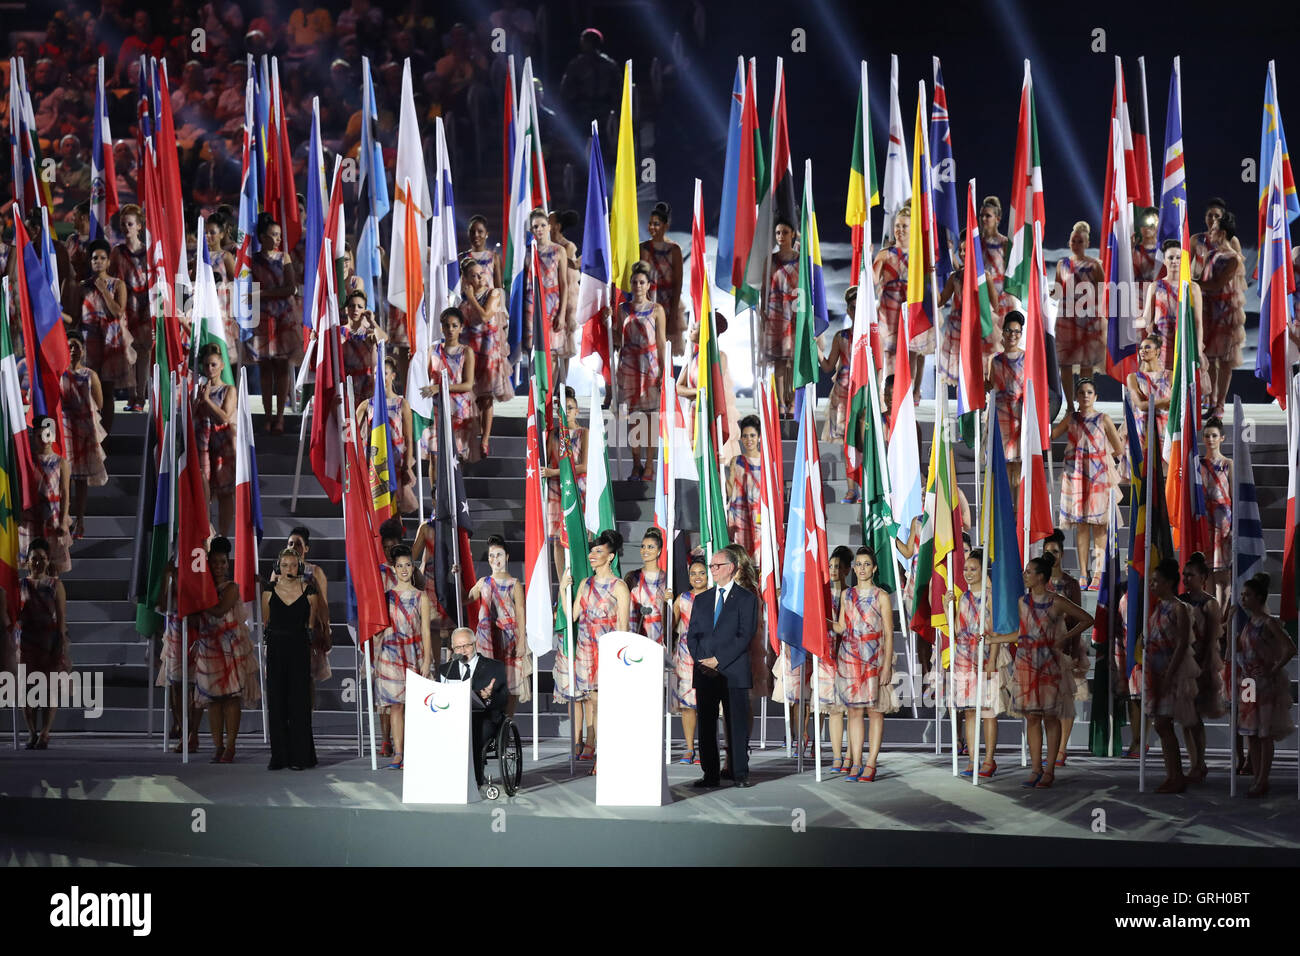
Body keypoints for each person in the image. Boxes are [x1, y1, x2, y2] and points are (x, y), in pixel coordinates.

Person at [991, 553, 1093, 789]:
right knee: (1032, 717)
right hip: (1027, 664)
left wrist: (1064, 637)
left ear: (1040, 577)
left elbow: (1087, 619)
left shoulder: (1056, 601)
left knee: (1050, 716)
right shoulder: (1022, 602)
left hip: (1049, 665)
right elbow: (1022, 633)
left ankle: (1049, 770)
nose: (1025, 575)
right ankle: (1035, 768)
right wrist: (994, 640)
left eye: (1029, 572)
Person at [686, 548, 759, 788]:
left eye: (717, 566)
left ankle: (739, 773)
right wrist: (701, 659)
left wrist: (719, 659)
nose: (712, 570)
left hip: (733, 670)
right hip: (705, 671)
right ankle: (710, 774)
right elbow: (692, 635)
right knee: (706, 725)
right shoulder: (702, 599)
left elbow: (744, 634)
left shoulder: (746, 598)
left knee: (735, 723)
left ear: (731, 567)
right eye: (712, 566)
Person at [557, 530, 629, 767]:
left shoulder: (619, 586)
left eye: (599, 551)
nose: (592, 555)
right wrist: (562, 588)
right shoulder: (585, 584)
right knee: (593, 703)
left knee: (602, 705)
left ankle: (604, 755)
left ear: (610, 557)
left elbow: (623, 626)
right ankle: (598, 752)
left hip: (607, 652)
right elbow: (572, 615)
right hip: (585, 650)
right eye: (592, 550)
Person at [831, 546, 897, 781]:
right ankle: (856, 761)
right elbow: (841, 627)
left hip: (874, 660)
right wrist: (822, 621)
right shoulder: (846, 595)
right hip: (849, 660)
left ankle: (871, 763)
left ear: (874, 568)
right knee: (854, 712)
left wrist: (887, 665)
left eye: (866, 564)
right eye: (858, 564)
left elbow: (889, 633)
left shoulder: (881, 596)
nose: (861, 568)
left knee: (875, 712)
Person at [192, 537, 260, 763]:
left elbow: (220, 610)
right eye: (215, 562)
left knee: (231, 699)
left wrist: (199, 601)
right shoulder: (202, 588)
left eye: (223, 562)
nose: (219, 566)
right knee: (212, 700)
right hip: (207, 648)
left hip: (229, 650)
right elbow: (192, 618)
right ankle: (218, 745)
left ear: (228, 564)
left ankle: (231, 746)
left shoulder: (231, 588)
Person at [1051, 379, 1123, 590]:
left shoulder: (1104, 419)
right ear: (1076, 397)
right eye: (1081, 392)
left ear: (1096, 396)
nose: (1085, 396)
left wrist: (1101, 464)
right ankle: (1083, 573)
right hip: (1076, 477)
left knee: (1100, 528)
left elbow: (1118, 448)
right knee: (1081, 528)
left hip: (1098, 478)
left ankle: (1099, 573)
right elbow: (1051, 436)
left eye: (1089, 392)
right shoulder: (1071, 418)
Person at [1235, 573, 1297, 797]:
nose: (1243, 599)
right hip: (1249, 682)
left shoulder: (1268, 623)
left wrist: (1273, 668)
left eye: (1247, 595)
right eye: (1242, 595)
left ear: (1259, 597)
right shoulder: (1248, 623)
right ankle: (1256, 775)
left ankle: (1263, 778)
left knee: (1264, 732)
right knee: (1251, 730)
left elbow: (1290, 648)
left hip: (1264, 683)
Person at [262, 548, 325, 771]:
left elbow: (311, 624)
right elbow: (266, 624)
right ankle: (279, 756)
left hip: (299, 648)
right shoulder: (269, 591)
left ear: (299, 566)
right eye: (285, 565)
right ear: (278, 567)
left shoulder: (309, 591)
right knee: (277, 701)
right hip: (277, 649)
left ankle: (301, 756)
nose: (290, 569)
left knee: (299, 702)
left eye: (293, 564)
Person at [1144, 559, 1201, 794]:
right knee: (1160, 725)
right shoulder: (1157, 607)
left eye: (1156, 581)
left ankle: (1176, 776)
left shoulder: (1179, 608)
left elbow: (1182, 643)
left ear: (1168, 582)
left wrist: (1169, 672)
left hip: (1169, 671)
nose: (1153, 585)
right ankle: (1172, 774)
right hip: (1154, 671)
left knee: (1164, 724)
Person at [376, 545, 433, 771]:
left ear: (413, 566)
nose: (404, 569)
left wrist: (427, 660)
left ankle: (415, 751)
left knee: (416, 706)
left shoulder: (422, 597)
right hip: (390, 655)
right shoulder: (386, 597)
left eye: (407, 565)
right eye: (399, 566)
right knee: (396, 707)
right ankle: (398, 753)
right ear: (394, 568)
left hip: (414, 653)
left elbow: (427, 631)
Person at [947, 548, 1003, 778]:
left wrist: (992, 662)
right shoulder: (964, 597)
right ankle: (972, 759)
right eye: (966, 569)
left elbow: (998, 630)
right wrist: (948, 607)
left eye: (973, 569)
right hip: (963, 656)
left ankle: (989, 760)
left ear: (983, 570)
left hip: (986, 653)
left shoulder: (991, 596)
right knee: (969, 710)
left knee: (988, 710)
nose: (968, 573)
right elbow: (958, 630)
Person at [465, 534, 531, 713]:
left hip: (508, 640)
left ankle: (506, 726)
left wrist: (521, 644)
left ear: (507, 557)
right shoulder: (482, 582)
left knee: (510, 684)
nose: (495, 559)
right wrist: (457, 575)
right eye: (492, 556)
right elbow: (465, 599)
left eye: (499, 555)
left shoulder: (514, 584)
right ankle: (491, 726)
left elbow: (520, 613)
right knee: (488, 683)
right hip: (486, 640)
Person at [440, 627, 509, 788]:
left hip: (483, 717)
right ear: (452, 648)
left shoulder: (494, 667)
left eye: (467, 646)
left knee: (474, 733)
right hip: (453, 717)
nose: (463, 651)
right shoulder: (446, 669)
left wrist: (489, 696)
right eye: (458, 647)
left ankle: (474, 780)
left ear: (475, 644)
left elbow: (503, 698)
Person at [250, 215, 300, 432]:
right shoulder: (252, 260)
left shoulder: (284, 258)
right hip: (261, 319)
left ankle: (280, 417)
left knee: (281, 368)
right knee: (265, 369)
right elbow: (246, 288)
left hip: (282, 319)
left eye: (279, 235)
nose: (278, 239)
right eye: (274, 235)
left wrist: (265, 293)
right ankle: (267, 416)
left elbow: (291, 288)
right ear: (262, 237)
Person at [616, 260, 666, 479]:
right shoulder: (621, 309)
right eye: (634, 282)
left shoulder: (657, 310)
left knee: (650, 419)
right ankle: (635, 464)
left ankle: (649, 465)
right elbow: (619, 339)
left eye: (641, 282)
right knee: (633, 419)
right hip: (629, 368)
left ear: (648, 285)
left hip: (650, 367)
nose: (637, 285)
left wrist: (664, 371)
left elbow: (662, 341)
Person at [458, 257, 512, 457]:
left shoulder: (494, 293)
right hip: (472, 352)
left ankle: (486, 440)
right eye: (474, 275)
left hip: (489, 351)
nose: (480, 277)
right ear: (467, 279)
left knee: (487, 397)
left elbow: (485, 316)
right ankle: (474, 435)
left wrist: (472, 299)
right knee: (473, 397)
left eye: (481, 273)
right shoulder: (462, 300)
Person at [18, 538, 69, 750]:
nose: (38, 562)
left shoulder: (55, 585)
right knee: (26, 691)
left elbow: (62, 617)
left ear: (48, 561)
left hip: (49, 642)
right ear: (27, 561)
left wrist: (61, 641)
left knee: (49, 690)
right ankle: (31, 732)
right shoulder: (20, 585)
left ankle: (45, 732)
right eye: (34, 559)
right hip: (27, 643)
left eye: (42, 559)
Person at [1180, 551, 1227, 784]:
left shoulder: (1210, 603)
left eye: (1191, 575)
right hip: (1182, 666)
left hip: (1200, 665)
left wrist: (1206, 667)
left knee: (1195, 717)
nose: (1186, 579)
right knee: (1185, 718)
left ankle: (1199, 763)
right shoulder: (1181, 601)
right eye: (1184, 575)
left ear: (1203, 577)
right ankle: (1193, 761)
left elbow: (1212, 639)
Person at [1043, 530, 1087, 766]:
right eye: (1047, 552)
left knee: (1066, 700)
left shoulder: (1070, 584)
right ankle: (1051, 747)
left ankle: (1061, 750)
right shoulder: (1038, 583)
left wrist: (1073, 646)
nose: (1052, 556)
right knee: (1047, 701)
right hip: (1042, 650)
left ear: (1062, 554)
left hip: (1065, 648)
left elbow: (1080, 619)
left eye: (1055, 552)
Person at [78, 238, 130, 434]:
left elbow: (118, 312)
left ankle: (106, 434)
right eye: (94, 258)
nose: (98, 261)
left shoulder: (118, 285)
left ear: (108, 262)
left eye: (102, 258)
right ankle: (91, 434)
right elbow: (76, 316)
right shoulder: (83, 286)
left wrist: (103, 290)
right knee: (89, 389)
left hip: (110, 344)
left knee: (107, 393)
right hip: (88, 343)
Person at [1197, 212, 1245, 419]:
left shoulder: (1233, 259)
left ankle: (1220, 404)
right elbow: (1203, 279)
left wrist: (1191, 283)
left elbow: (1216, 284)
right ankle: (1211, 400)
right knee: (1210, 358)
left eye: (1214, 229)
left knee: (1224, 361)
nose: (1210, 232)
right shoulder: (1210, 255)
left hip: (1226, 315)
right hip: (1209, 312)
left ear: (1223, 233)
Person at [60, 333, 108, 541]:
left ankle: (80, 520)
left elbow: (100, 404)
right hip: (64, 432)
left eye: (76, 346)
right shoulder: (58, 374)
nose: (73, 350)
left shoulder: (90, 375)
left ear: (83, 350)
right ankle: (64, 519)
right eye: (69, 346)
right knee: (64, 479)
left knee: (80, 480)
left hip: (84, 433)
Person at [357, 353, 417, 514]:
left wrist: (406, 467)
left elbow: (409, 439)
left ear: (392, 376)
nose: (379, 377)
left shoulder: (402, 404)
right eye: (376, 373)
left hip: (396, 462)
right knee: (376, 509)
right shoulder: (366, 405)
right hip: (375, 464)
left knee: (395, 509)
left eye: (384, 373)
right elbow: (350, 431)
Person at [1140, 239, 1204, 380]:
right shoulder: (1155, 286)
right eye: (1170, 257)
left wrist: (1198, 349)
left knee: (1182, 386)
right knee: (1162, 388)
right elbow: (1146, 318)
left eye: (1178, 257)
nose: (1175, 261)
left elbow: (1198, 322)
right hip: (1160, 345)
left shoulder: (1192, 288)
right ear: (1164, 260)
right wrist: (1127, 323)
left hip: (1184, 342)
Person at [1055, 221, 1104, 401]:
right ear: (1069, 242)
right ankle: (1069, 405)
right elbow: (1058, 290)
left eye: (1080, 242)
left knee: (1086, 364)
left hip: (1087, 320)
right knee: (1065, 364)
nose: (1076, 245)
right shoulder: (1062, 264)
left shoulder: (1095, 265)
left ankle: (1085, 402)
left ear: (1087, 244)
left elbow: (1102, 292)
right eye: (1073, 241)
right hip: (1066, 320)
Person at [668, 556, 709, 763]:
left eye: (702, 572)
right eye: (693, 573)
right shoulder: (682, 598)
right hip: (685, 656)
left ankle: (705, 747)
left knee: (705, 705)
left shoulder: (715, 597)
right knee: (687, 705)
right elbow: (671, 626)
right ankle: (689, 747)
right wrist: (667, 603)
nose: (697, 577)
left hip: (707, 655)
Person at [194, 345, 237, 536]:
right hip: (202, 445)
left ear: (221, 366)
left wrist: (207, 400)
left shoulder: (229, 389)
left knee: (225, 492)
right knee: (203, 491)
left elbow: (224, 417)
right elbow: (191, 417)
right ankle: (206, 532)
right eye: (206, 365)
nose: (210, 369)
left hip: (222, 447)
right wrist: (197, 400)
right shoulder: (198, 390)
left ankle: (224, 535)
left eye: (213, 365)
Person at [543, 387, 587, 573]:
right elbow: (545, 462)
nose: (567, 412)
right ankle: (563, 589)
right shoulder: (552, 434)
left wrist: (553, 472)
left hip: (577, 489)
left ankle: (579, 580)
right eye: (563, 408)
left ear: (577, 411)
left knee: (576, 537)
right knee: (557, 541)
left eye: (570, 408)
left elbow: (584, 466)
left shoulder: (584, 433)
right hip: (555, 491)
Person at [425, 307, 477, 463]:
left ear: (461, 328)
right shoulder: (433, 350)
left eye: (454, 325)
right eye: (446, 325)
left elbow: (468, 385)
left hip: (458, 410)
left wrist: (439, 388)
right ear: (441, 328)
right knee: (435, 456)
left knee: (456, 458)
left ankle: (457, 488)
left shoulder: (466, 352)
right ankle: (435, 488)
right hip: (435, 408)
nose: (450, 329)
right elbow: (425, 376)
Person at [22, 419, 71, 574]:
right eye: (39, 436)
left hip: (53, 517)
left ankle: (52, 593)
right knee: (33, 559)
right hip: (33, 516)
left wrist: (63, 521)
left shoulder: (61, 462)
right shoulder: (28, 461)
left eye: (47, 435)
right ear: (34, 437)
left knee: (52, 562)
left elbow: (65, 493)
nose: (44, 440)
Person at [987, 312, 1025, 498]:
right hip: (1001, 418)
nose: (1012, 335)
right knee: (1003, 468)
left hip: (1020, 417)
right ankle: (1005, 513)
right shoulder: (995, 360)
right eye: (1009, 330)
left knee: (1018, 471)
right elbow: (991, 386)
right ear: (1003, 332)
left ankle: (1018, 518)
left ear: (1021, 334)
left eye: (1017, 331)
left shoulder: (1028, 359)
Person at [765, 217, 800, 414]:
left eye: (785, 232)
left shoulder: (801, 260)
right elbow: (765, 289)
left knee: (794, 360)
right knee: (779, 359)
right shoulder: (770, 261)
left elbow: (804, 289)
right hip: (775, 313)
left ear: (793, 234)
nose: (781, 237)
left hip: (795, 311)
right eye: (778, 233)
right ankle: (780, 404)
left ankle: (794, 402)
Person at [523, 207, 568, 364]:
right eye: (535, 226)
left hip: (553, 305)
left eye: (542, 225)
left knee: (553, 352)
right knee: (533, 350)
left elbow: (564, 283)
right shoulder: (526, 252)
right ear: (531, 229)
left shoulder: (559, 250)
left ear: (549, 226)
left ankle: (551, 389)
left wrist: (562, 314)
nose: (539, 229)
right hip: (531, 305)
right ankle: (535, 387)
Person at [873, 208, 910, 395]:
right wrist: (866, 256)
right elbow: (873, 279)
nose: (900, 230)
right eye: (897, 226)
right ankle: (884, 394)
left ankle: (905, 393)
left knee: (907, 354)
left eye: (904, 226)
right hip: (888, 312)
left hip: (908, 312)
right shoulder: (884, 254)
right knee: (887, 355)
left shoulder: (918, 256)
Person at [640, 201, 683, 355]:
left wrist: (673, 317)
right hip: (646, 303)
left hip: (668, 304)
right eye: (650, 224)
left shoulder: (674, 249)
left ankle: (665, 379)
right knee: (647, 350)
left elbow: (678, 284)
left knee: (665, 351)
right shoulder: (643, 247)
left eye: (656, 224)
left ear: (665, 226)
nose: (652, 227)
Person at [1199, 418, 1233, 604]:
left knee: (1222, 573)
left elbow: (1234, 496)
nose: (1210, 439)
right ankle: (1211, 615)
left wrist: (1234, 526)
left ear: (1222, 438)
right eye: (1207, 436)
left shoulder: (1228, 464)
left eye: (1214, 435)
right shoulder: (1197, 464)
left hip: (1223, 523)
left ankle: (1221, 618)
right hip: (1205, 522)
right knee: (1208, 573)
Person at [1127, 334, 1172, 464]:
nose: (1143, 351)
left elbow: (1174, 402)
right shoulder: (1133, 377)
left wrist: (1153, 404)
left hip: (1164, 427)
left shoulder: (1170, 375)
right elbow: (1140, 405)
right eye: (1141, 348)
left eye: (1147, 347)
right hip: (1142, 428)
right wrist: (1164, 402)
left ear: (1157, 351)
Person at [726, 416, 763, 567]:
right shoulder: (736, 460)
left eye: (753, 435)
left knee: (759, 560)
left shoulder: (767, 461)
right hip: (739, 517)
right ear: (740, 438)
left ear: (759, 437)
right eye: (745, 436)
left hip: (759, 517)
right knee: (741, 562)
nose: (749, 440)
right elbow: (730, 492)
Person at [341, 289, 384, 407]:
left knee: (365, 421)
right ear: (346, 309)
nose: (355, 309)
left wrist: (372, 321)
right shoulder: (338, 332)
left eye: (359, 306)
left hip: (366, 384)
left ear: (365, 310)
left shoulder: (369, 333)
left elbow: (384, 340)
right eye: (351, 306)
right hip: (345, 384)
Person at [551, 209, 581, 373]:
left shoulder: (567, 247)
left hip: (566, 299)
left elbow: (567, 276)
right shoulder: (544, 246)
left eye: (549, 221)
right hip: (551, 299)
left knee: (565, 347)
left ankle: (562, 387)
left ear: (557, 226)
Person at [626, 529, 668, 646]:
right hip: (634, 636)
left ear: (659, 551)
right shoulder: (632, 577)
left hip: (658, 637)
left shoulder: (667, 579)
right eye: (643, 546)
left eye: (650, 547)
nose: (645, 550)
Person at [462, 214, 503, 288]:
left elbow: (499, 287)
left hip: (490, 299)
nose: (476, 235)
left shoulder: (494, 257)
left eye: (480, 231)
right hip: (467, 299)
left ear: (486, 234)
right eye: (472, 232)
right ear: (468, 234)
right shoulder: (462, 258)